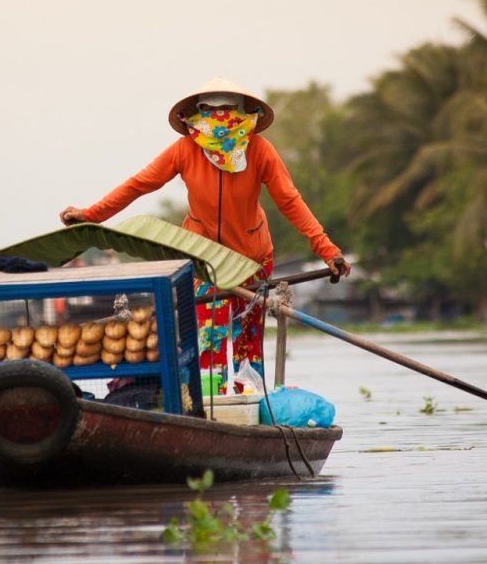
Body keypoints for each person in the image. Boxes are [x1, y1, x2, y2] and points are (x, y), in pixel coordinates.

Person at [59, 77, 349, 395]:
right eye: (210, 112)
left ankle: (247, 399)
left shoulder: (260, 150)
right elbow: (139, 184)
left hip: (253, 259)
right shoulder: (185, 149)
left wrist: (327, 250)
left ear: (243, 115)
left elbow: (289, 201)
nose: (220, 121)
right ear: (196, 118)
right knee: (207, 333)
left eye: (227, 111)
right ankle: (208, 401)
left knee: (247, 342)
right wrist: (91, 215)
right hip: (203, 259)